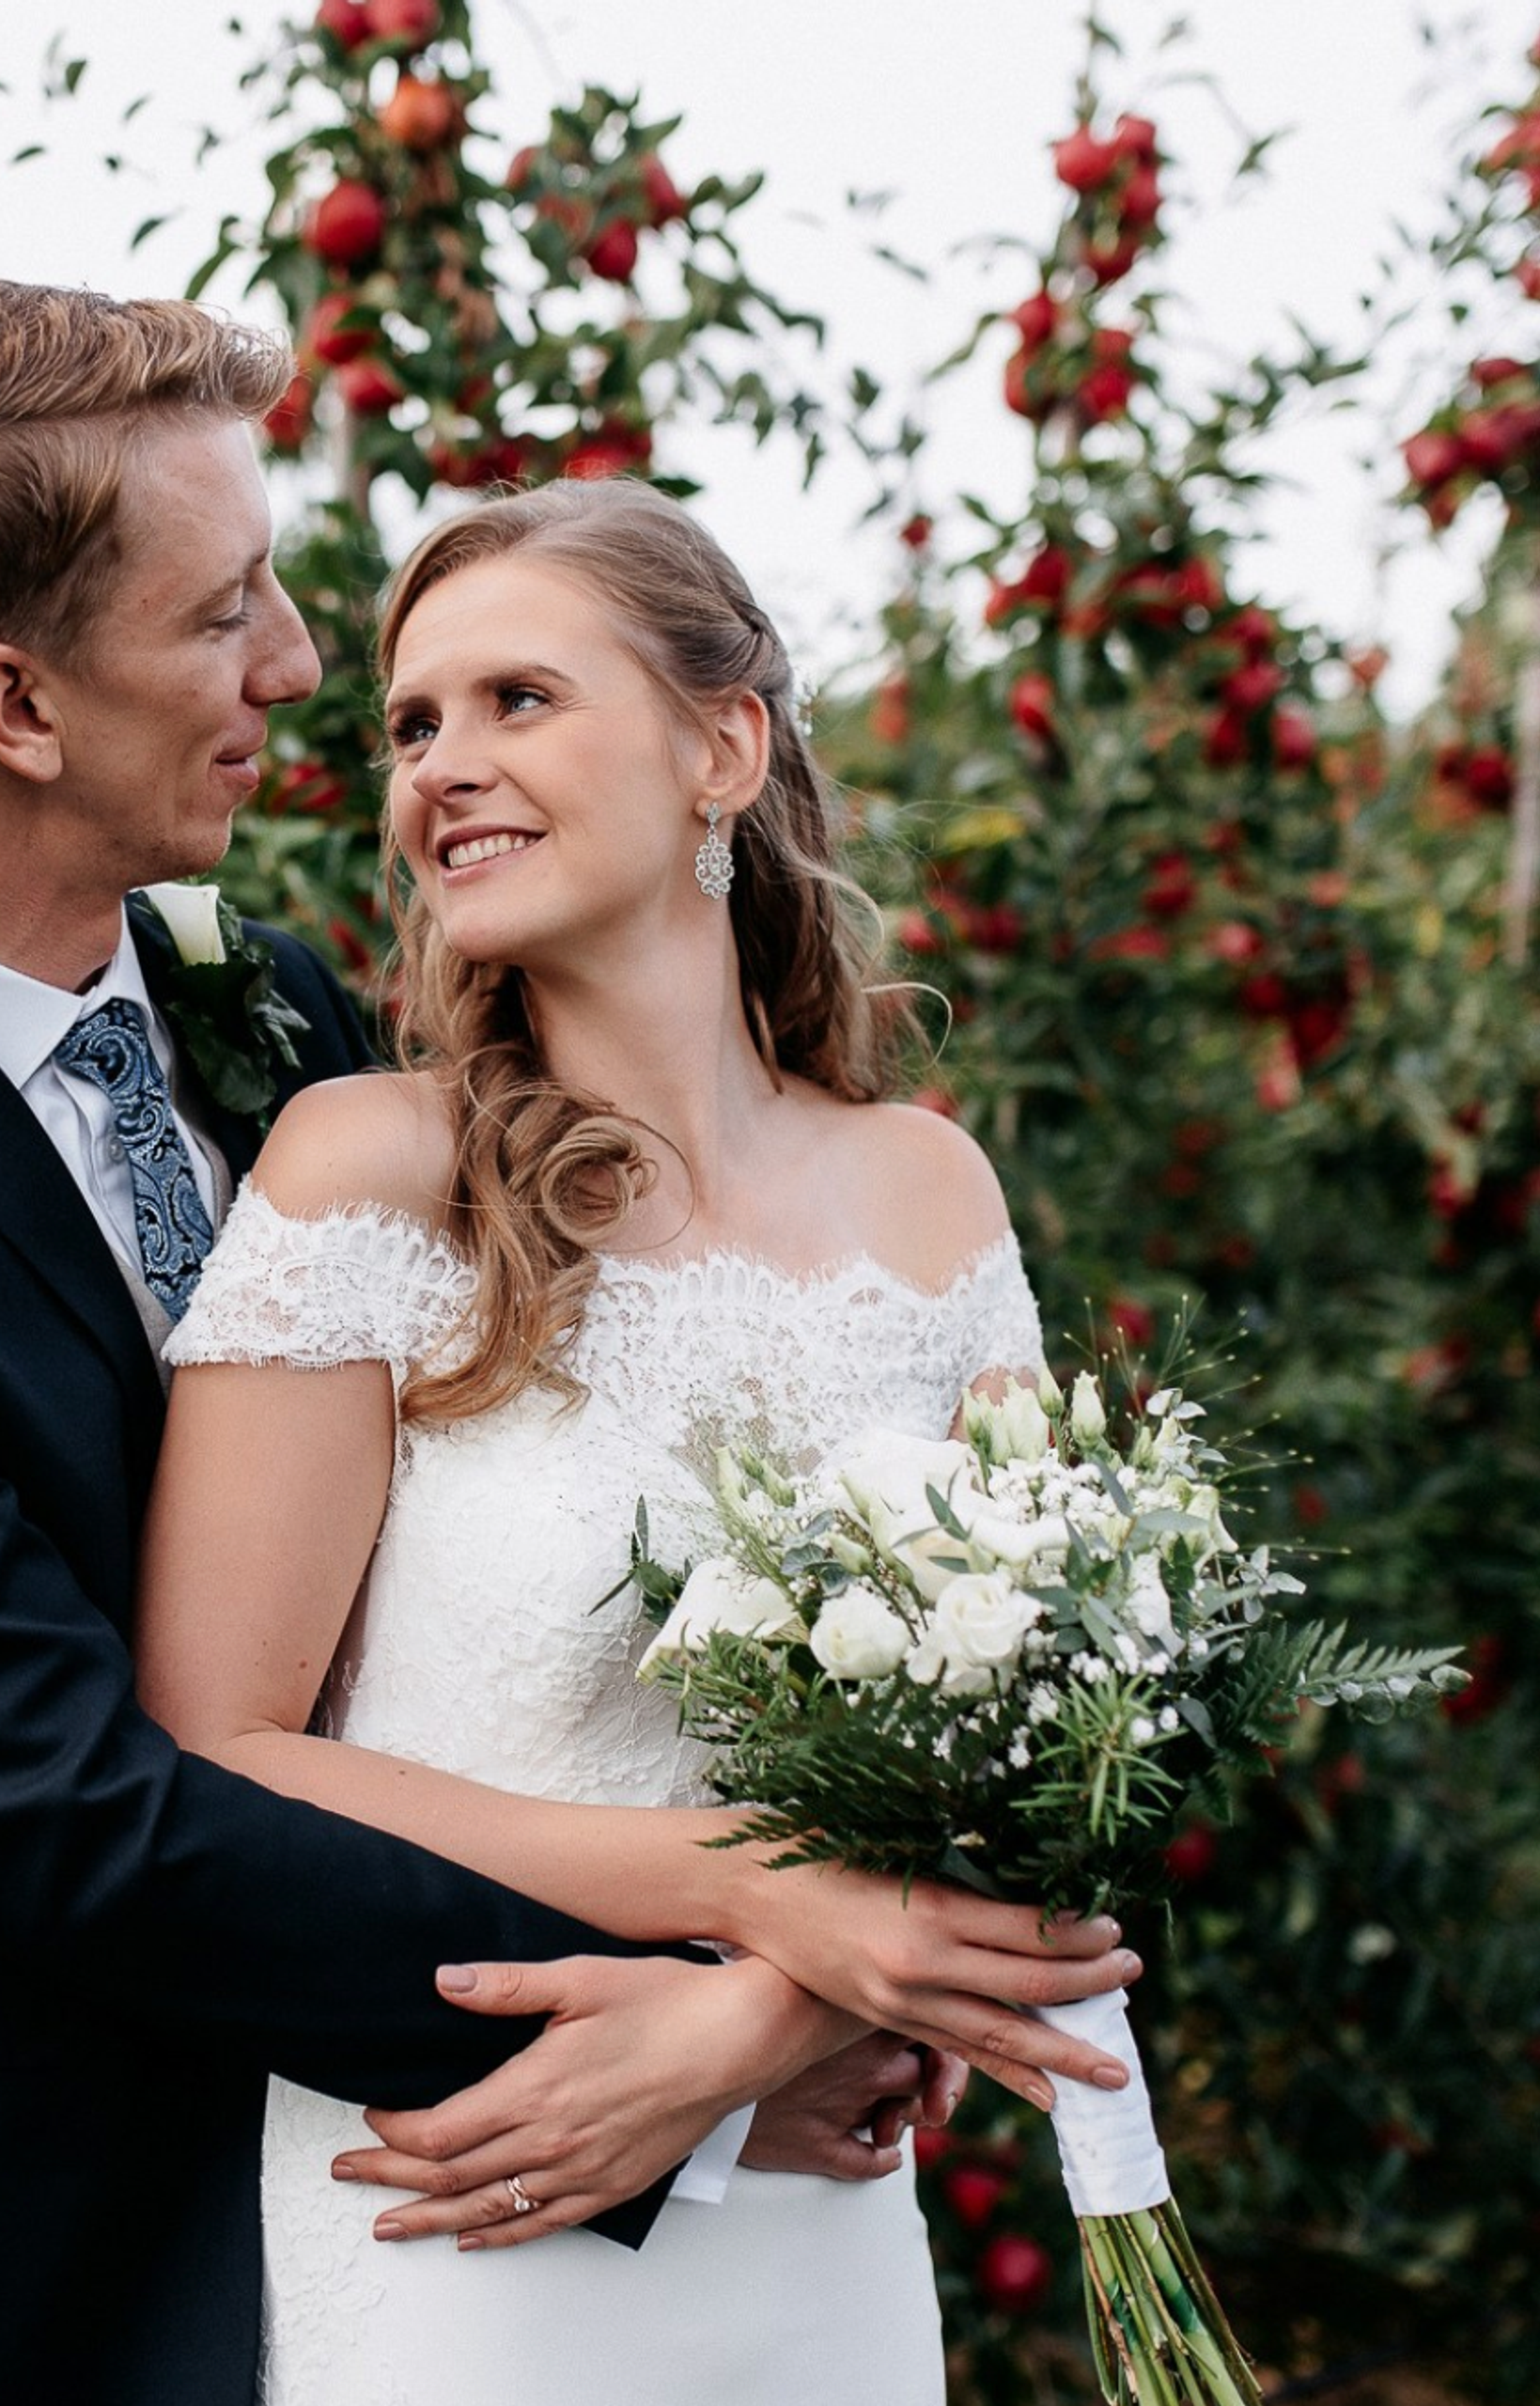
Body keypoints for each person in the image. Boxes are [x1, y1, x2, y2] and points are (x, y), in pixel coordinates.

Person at [0, 273, 1130, 2406]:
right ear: (13, 703)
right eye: (225, 613)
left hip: (606, 2148)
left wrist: (762, 2017)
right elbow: (90, 1812)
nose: (297, 669)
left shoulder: (268, 1001)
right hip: (79, 2212)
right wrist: (735, 1966)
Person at [135, 475, 1128, 2402]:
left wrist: (748, 2026)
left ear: (718, 746)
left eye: (516, 697)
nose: (440, 766)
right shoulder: (365, 1171)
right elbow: (217, 1746)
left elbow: (1058, 1740)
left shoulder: (930, 1193)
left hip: (815, 2214)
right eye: (410, 724)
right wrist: (742, 1886)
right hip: (474, 2176)